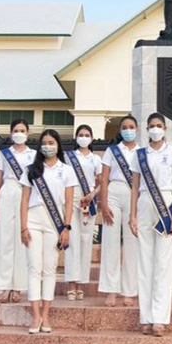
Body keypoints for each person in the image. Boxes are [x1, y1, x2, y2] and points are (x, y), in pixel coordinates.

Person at [128, 113, 172, 336]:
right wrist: (132, 216)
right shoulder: (139, 155)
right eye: (151, 126)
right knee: (145, 262)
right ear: (146, 129)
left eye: (159, 126)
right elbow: (134, 186)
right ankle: (146, 316)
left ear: (166, 128)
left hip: (166, 207)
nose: (155, 129)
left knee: (163, 263)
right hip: (144, 205)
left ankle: (159, 318)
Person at [20, 129, 75, 334]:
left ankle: (46, 315)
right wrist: (23, 228)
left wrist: (67, 228)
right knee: (34, 268)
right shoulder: (31, 169)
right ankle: (35, 317)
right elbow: (24, 199)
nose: (48, 146)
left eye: (52, 143)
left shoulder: (66, 170)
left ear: (58, 145)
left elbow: (69, 201)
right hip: (33, 220)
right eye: (45, 143)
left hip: (55, 222)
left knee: (50, 269)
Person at [0, 119, 34, 303]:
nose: (19, 133)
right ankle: (4, 285)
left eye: (22, 130)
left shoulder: (34, 154)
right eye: (16, 130)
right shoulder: (4, 154)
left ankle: (19, 286)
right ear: (10, 133)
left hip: (26, 194)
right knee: (4, 239)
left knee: (22, 240)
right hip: (6, 192)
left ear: (28, 133)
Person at [98, 115, 141, 307]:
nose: (128, 130)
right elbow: (104, 179)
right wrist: (104, 204)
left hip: (135, 196)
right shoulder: (111, 151)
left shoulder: (142, 152)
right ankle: (111, 290)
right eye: (125, 127)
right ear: (120, 130)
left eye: (131, 127)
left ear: (137, 129)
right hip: (114, 192)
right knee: (110, 242)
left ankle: (129, 291)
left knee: (133, 244)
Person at [64, 124, 102, 300]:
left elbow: (102, 182)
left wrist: (93, 193)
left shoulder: (96, 159)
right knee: (73, 240)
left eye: (87, 135)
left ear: (92, 138)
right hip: (73, 198)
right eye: (81, 135)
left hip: (90, 199)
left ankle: (81, 283)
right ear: (76, 137)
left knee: (86, 241)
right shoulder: (68, 157)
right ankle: (71, 283)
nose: (84, 138)